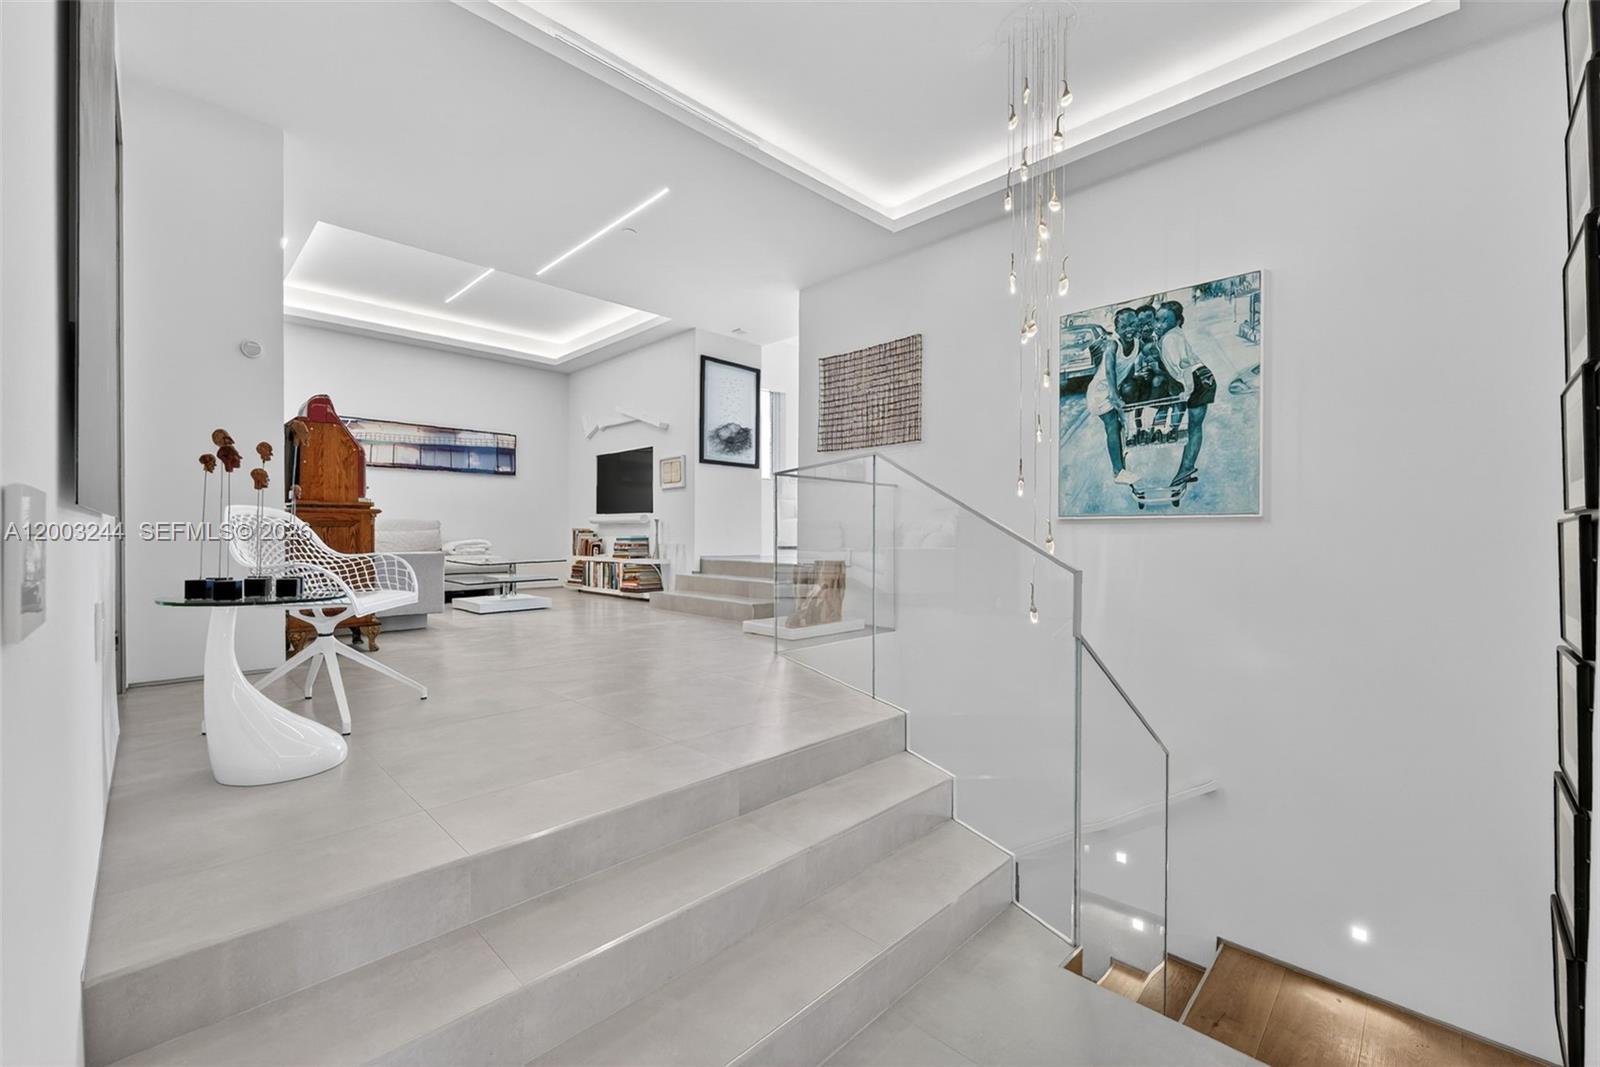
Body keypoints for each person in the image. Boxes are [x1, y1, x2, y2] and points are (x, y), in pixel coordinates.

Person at [1153, 300, 1217, 487]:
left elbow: (1185, 366)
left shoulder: (1171, 338)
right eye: (1157, 319)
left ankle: (1185, 469)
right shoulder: (1171, 335)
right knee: (1194, 427)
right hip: (1202, 377)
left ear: (1177, 322)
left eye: (1165, 321)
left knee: (1194, 427)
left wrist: (1188, 390)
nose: (1159, 324)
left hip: (1197, 379)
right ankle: (1186, 468)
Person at [1083, 308, 1140, 486]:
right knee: (1112, 426)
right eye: (1124, 326)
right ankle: (1118, 472)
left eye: (1133, 324)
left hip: (1112, 389)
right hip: (1099, 393)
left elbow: (1129, 365)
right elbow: (1110, 370)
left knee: (1120, 426)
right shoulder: (1112, 345)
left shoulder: (1137, 343)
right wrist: (1114, 395)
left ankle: (1121, 464)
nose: (1129, 329)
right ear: (1116, 329)